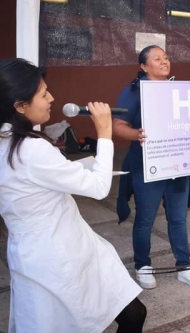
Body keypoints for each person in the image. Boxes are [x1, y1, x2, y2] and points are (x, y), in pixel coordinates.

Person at [0, 58, 146, 332]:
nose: (52, 98)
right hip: (57, 256)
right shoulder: (31, 149)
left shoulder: (8, 142)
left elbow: (34, 182)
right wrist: (104, 133)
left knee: (131, 312)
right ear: (19, 106)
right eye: (43, 94)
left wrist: (76, 168)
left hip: (43, 253)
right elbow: (100, 188)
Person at [114, 46, 190, 289]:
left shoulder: (178, 90)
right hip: (147, 163)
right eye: (157, 58)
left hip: (177, 162)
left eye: (166, 57)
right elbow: (118, 125)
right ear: (144, 66)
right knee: (145, 219)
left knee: (178, 218)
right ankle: (143, 266)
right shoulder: (134, 91)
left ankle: (184, 265)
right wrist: (137, 134)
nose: (164, 61)